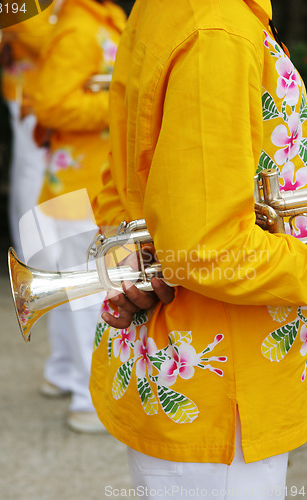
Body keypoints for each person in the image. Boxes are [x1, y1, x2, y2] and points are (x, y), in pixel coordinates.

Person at [89, 0, 307, 497]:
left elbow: (125, 177)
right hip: (224, 392)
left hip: (187, 369)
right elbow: (211, 247)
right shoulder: (218, 29)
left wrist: (131, 274)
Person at [31, 0, 126, 433]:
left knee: (80, 292)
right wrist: (120, 103)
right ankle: (88, 401)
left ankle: (67, 375)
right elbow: (49, 104)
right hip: (75, 188)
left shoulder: (101, 21)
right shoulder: (78, 28)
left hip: (86, 183)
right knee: (88, 295)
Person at [0, 3, 58, 261]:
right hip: (31, 95)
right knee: (33, 176)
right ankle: (37, 260)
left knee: (33, 173)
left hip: (38, 92)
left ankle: (41, 257)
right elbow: (42, 39)